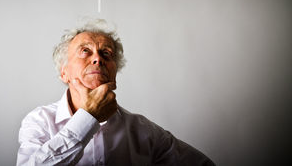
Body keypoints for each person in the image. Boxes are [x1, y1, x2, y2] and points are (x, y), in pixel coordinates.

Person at [16, 19, 215, 165]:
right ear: (64, 72)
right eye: (85, 51)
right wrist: (88, 117)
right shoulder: (38, 121)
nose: (97, 59)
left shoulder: (143, 131)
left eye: (106, 54)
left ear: (114, 73)